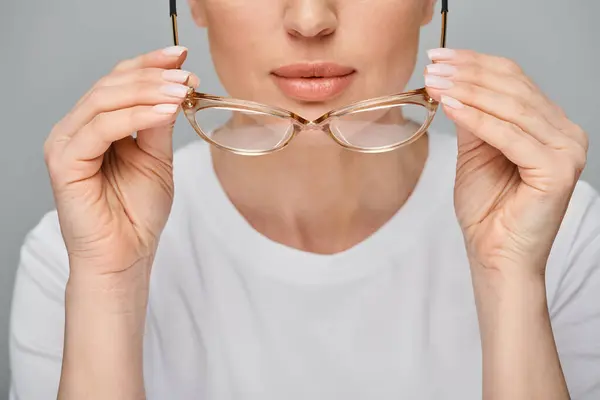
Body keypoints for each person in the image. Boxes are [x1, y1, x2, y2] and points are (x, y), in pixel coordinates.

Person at [8, 0, 600, 399]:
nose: (311, 18)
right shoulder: (76, 254)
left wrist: (511, 277)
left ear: (430, 3)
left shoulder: (559, 228)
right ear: (192, 5)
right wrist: (111, 281)